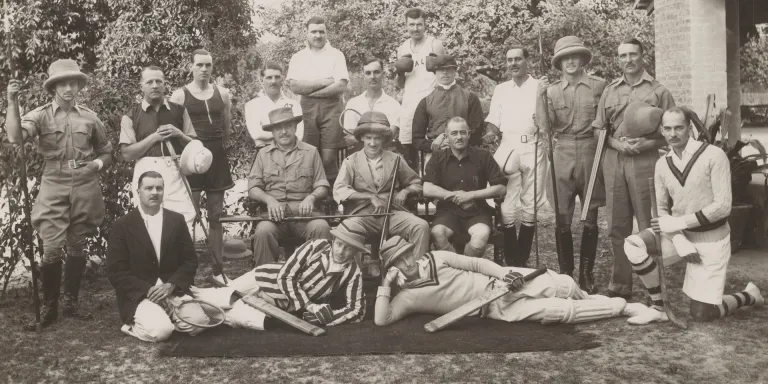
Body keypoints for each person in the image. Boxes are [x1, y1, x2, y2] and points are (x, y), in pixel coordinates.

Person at [622, 107, 764, 324]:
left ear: (689, 128)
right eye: (667, 129)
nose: (673, 134)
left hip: (711, 239)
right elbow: (660, 211)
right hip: (679, 235)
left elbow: (723, 207)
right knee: (633, 245)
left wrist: (678, 222)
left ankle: (750, 295)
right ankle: (659, 307)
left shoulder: (713, 155)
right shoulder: (662, 164)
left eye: (679, 127)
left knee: (701, 315)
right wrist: (678, 239)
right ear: (661, 130)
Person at [6, 59, 113, 328]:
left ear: (78, 85)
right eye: (62, 83)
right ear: (53, 87)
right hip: (53, 179)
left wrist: (95, 166)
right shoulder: (41, 115)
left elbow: (107, 152)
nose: (68, 87)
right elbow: (15, 137)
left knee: (77, 244)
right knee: (51, 248)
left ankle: (71, 304)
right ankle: (49, 308)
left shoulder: (90, 116)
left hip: (85, 181)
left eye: (73, 82)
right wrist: (11, 101)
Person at [374, 236, 634, 326]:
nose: (407, 263)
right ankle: (621, 308)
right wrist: (386, 284)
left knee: (562, 285)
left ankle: (591, 299)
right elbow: (381, 320)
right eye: (399, 262)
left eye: (407, 255)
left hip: (500, 283)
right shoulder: (406, 297)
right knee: (558, 311)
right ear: (392, 268)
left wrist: (503, 274)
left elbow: (476, 263)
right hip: (493, 309)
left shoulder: (436, 257)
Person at [593, 38, 676, 299]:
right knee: (617, 224)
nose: (628, 60)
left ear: (643, 56)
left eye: (633, 54)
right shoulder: (610, 90)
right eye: (623, 56)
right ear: (618, 60)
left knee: (647, 223)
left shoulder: (659, 91)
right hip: (614, 160)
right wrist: (616, 143)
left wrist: (648, 142)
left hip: (645, 161)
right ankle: (620, 285)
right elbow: (598, 129)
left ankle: (653, 286)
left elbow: (674, 132)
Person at [536, 36, 607, 292]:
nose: (571, 61)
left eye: (575, 56)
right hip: (562, 151)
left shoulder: (599, 86)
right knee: (562, 217)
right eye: (565, 58)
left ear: (583, 59)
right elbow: (545, 126)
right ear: (559, 62)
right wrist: (539, 95)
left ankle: (587, 275)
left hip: (590, 150)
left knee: (590, 216)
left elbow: (606, 121)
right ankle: (567, 273)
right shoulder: (552, 90)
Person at [106, 171, 205, 342]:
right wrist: (148, 291)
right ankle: (135, 325)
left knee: (200, 323)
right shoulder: (122, 225)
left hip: (172, 291)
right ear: (138, 192)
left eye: (159, 188)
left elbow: (190, 261)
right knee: (161, 332)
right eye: (148, 188)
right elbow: (116, 271)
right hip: (140, 295)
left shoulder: (176, 220)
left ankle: (167, 317)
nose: (154, 192)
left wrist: (171, 285)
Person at [223, 220, 369, 326]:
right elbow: (286, 276)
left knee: (243, 320)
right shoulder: (316, 246)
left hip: (280, 305)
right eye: (338, 244)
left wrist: (328, 316)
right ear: (333, 240)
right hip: (263, 278)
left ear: (356, 251)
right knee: (221, 298)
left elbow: (357, 309)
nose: (340, 251)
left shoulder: (353, 272)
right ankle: (211, 295)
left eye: (348, 248)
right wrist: (310, 306)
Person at [170, 49, 234, 281]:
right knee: (191, 214)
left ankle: (218, 270)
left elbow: (226, 127)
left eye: (208, 65)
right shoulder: (179, 95)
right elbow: (175, 131)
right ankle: (188, 270)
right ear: (191, 66)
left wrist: (215, 149)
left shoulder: (223, 93)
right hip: (192, 155)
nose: (204, 69)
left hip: (215, 155)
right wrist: (189, 154)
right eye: (199, 65)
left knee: (216, 214)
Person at [334, 111, 430, 260]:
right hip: (362, 215)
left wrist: (406, 191)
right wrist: (369, 196)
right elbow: (340, 189)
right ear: (362, 139)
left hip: (392, 213)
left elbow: (417, 183)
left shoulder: (396, 159)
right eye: (368, 138)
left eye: (377, 138)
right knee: (347, 230)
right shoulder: (351, 161)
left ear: (384, 139)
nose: (372, 143)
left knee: (421, 226)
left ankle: (416, 277)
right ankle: (353, 278)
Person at [485, 46, 548, 267]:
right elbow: (494, 121)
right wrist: (489, 135)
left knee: (531, 205)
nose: (513, 63)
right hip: (508, 146)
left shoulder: (540, 85)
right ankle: (512, 258)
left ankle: (522, 258)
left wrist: (544, 95)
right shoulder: (501, 89)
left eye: (518, 59)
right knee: (504, 206)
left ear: (526, 61)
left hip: (533, 145)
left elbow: (547, 120)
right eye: (509, 59)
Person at [247, 107, 332, 266]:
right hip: (274, 218)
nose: (284, 131)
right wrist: (269, 200)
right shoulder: (263, 154)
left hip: (305, 216)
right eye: (278, 128)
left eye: (287, 126)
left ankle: (318, 279)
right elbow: (253, 188)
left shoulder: (311, 152)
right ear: (272, 132)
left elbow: (322, 185)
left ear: (295, 128)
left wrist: (311, 197)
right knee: (263, 232)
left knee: (321, 227)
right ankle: (265, 281)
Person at [119, 65, 198, 233]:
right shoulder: (131, 115)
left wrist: (179, 134)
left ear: (164, 84)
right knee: (147, 222)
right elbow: (126, 153)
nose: (154, 85)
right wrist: (154, 137)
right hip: (145, 170)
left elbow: (195, 147)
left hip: (175, 169)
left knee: (183, 219)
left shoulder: (179, 111)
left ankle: (177, 259)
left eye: (158, 81)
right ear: (141, 86)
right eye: (149, 82)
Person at [423, 117, 506, 257]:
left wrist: (470, 195)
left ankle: (465, 270)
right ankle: (458, 268)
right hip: (447, 211)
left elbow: (501, 188)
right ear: (447, 136)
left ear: (469, 134)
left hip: (477, 211)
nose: (459, 137)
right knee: (437, 233)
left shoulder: (483, 156)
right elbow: (427, 188)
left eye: (463, 132)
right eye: (454, 133)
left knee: (480, 237)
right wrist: (454, 195)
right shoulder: (438, 157)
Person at [286, 16, 349, 181]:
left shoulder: (336, 55)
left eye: (322, 31)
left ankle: (331, 200)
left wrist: (309, 90)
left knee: (329, 158)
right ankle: (313, 200)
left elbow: (340, 86)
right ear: (306, 34)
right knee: (309, 156)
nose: (318, 35)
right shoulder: (298, 57)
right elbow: (294, 86)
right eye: (313, 31)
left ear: (327, 33)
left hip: (332, 108)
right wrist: (323, 82)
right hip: (307, 109)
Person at [394, 7, 446, 167]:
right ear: (406, 25)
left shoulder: (434, 45)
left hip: (431, 102)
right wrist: (401, 72)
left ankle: (431, 185)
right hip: (410, 103)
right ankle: (413, 186)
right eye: (411, 24)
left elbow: (445, 75)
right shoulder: (402, 48)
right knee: (408, 146)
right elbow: (400, 84)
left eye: (419, 24)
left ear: (425, 25)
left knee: (432, 145)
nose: (415, 28)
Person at [412, 54, 484, 159]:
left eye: (449, 69)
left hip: (465, 153)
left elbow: (477, 129)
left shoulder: (470, 98)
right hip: (436, 154)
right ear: (435, 73)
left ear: (455, 71)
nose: (445, 72)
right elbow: (416, 138)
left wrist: (458, 144)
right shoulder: (425, 102)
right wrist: (432, 145)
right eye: (440, 69)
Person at [342, 57, 400, 151]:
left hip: (384, 157)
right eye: (368, 73)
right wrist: (378, 136)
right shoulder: (353, 103)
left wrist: (360, 138)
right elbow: (349, 138)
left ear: (383, 74)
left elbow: (389, 138)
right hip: (358, 158)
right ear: (364, 76)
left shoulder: (394, 105)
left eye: (376, 72)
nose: (372, 76)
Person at [244, 62, 304, 149]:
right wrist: (287, 134)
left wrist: (266, 137)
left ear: (282, 79)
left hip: (291, 152)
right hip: (265, 153)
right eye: (269, 77)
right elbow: (256, 134)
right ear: (261, 80)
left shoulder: (294, 104)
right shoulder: (252, 105)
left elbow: (299, 134)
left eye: (277, 77)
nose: (273, 81)